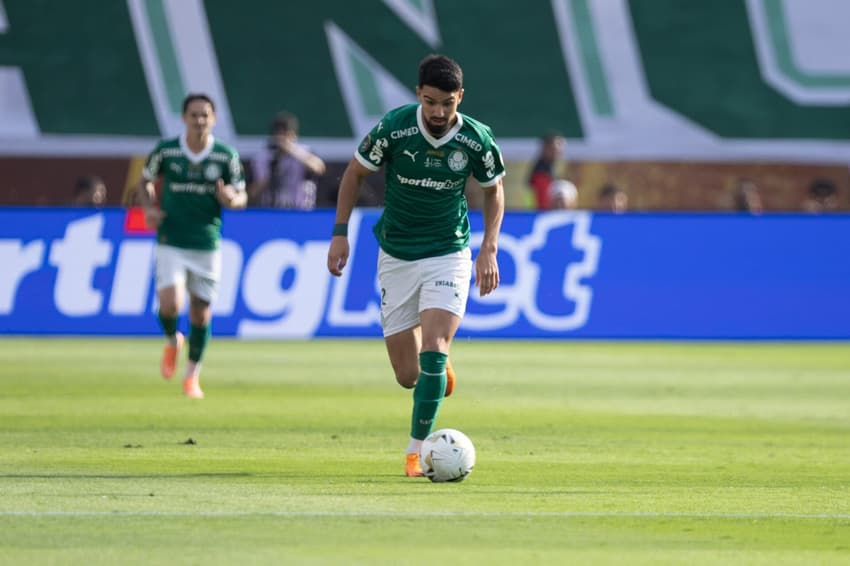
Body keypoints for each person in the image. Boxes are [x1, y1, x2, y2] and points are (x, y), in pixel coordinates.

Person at [326, 54, 506, 477]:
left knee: (434, 349)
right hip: (396, 254)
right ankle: (436, 379)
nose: (439, 112)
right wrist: (339, 232)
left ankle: (416, 451)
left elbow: (494, 190)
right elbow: (353, 175)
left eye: (448, 103)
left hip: (449, 251)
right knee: (409, 375)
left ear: (460, 97)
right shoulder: (395, 128)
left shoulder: (476, 140)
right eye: (430, 102)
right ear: (418, 96)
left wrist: (489, 248)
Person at [135, 93, 247, 399]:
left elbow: (241, 195)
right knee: (170, 305)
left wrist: (231, 200)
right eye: (194, 115)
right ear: (184, 118)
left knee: (201, 313)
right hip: (171, 239)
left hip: (207, 242)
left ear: (213, 119)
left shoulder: (225, 156)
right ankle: (173, 340)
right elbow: (144, 182)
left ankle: (192, 376)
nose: (199, 120)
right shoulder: (167, 151)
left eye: (205, 115)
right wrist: (149, 208)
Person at [249, 111, 326, 209]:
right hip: (271, 211)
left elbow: (319, 168)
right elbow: (251, 193)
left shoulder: (305, 153)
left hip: (301, 211)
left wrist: (290, 149)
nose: (282, 141)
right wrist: (271, 172)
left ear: (294, 135)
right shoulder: (262, 158)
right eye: (278, 135)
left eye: (286, 135)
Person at [527, 131, 566, 210]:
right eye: (554, 148)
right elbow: (542, 202)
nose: (558, 151)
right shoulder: (541, 173)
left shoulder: (549, 168)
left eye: (560, 147)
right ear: (545, 148)